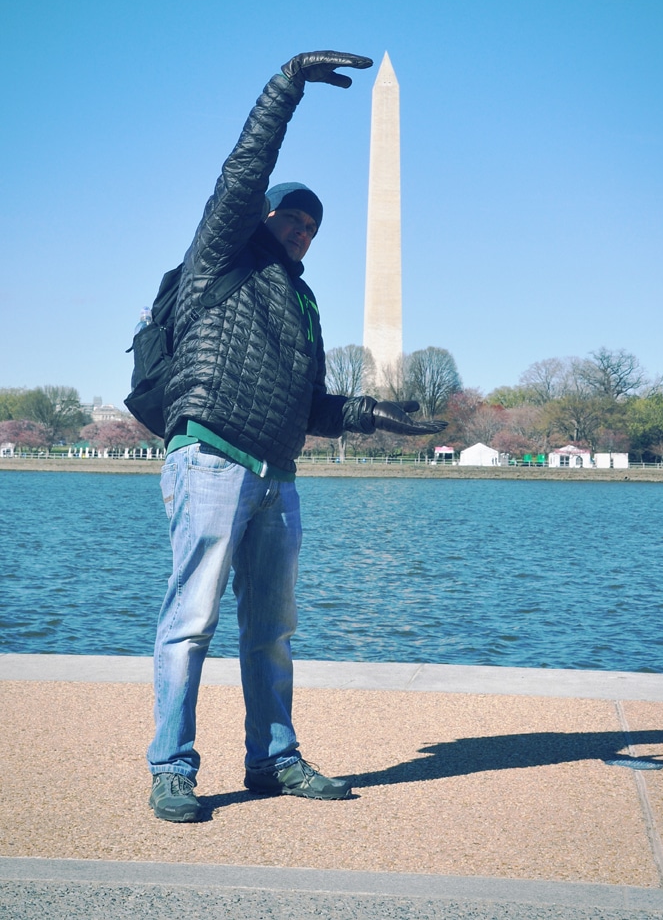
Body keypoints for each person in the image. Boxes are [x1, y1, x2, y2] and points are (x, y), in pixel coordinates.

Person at [147, 51, 447, 822]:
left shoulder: (304, 305)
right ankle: (172, 768)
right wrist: (285, 89)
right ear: (262, 216)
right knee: (191, 621)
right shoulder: (222, 259)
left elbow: (311, 405)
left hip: (277, 474)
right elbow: (242, 172)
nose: (302, 229)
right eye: (291, 215)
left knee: (273, 629)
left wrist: (377, 416)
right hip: (211, 455)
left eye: (312, 225)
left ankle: (272, 757)